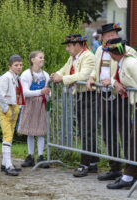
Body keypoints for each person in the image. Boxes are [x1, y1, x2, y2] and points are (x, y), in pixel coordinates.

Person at [98, 38, 137, 189]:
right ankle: (129, 176)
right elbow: (116, 77)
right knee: (135, 141)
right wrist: (114, 82)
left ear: (111, 53)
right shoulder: (123, 62)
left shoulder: (132, 64)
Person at [87, 22, 137, 181]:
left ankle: (130, 172)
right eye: (109, 36)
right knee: (108, 134)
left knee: (125, 135)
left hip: (120, 97)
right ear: (103, 38)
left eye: (114, 35)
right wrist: (91, 77)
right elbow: (97, 69)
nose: (112, 37)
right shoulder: (100, 50)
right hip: (103, 95)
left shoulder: (129, 51)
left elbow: (129, 71)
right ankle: (114, 168)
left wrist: (114, 80)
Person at [50, 34, 97, 177]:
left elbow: (84, 75)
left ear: (78, 45)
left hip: (90, 96)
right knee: (84, 130)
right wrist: (56, 75)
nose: (67, 49)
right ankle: (93, 162)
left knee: (87, 130)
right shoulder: (74, 57)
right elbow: (65, 69)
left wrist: (62, 78)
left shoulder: (88, 56)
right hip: (81, 95)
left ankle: (85, 164)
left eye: (69, 45)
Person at [0, 54, 25, 176]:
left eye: (21, 65)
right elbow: (0, 94)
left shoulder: (17, 78)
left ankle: (4, 163)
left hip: (14, 108)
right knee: (7, 135)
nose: (19, 67)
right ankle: (8, 165)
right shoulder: (5, 77)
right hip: (7, 109)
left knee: (10, 135)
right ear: (10, 66)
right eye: (16, 65)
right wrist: (6, 109)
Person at [18, 51, 50, 169]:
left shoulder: (45, 75)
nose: (42, 60)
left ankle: (40, 156)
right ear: (33, 60)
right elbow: (25, 91)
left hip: (41, 105)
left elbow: (48, 90)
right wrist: (40, 92)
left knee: (41, 130)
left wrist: (47, 95)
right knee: (30, 131)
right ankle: (30, 156)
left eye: (43, 58)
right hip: (30, 104)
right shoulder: (26, 74)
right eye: (40, 57)